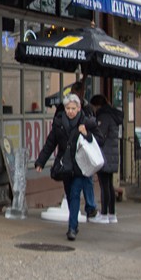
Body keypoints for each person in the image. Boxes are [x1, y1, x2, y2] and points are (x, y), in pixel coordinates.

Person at [36, 94, 101, 241]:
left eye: (73, 108)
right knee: (69, 193)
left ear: (78, 108)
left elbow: (99, 140)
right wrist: (40, 162)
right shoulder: (59, 123)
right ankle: (74, 222)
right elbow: (50, 143)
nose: (70, 111)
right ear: (64, 109)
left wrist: (87, 134)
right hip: (65, 165)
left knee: (75, 194)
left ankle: (72, 228)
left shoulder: (86, 121)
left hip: (80, 166)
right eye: (68, 108)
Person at [52, 79, 98, 220]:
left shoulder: (86, 108)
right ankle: (76, 213)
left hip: (82, 151)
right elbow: (54, 132)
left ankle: (89, 207)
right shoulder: (63, 108)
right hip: (68, 153)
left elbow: (93, 128)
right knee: (72, 188)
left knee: (85, 179)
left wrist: (86, 131)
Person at [88, 94, 122, 224]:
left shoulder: (103, 116)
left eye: (93, 107)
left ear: (97, 105)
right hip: (112, 154)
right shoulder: (113, 115)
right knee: (109, 185)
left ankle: (104, 214)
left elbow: (99, 135)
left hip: (104, 154)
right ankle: (112, 213)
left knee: (104, 185)